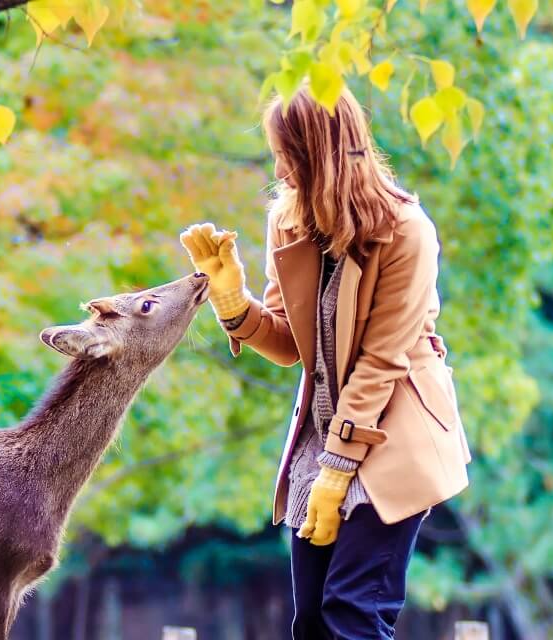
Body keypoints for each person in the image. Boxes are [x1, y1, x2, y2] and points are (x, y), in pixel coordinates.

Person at [181, 86, 471, 639]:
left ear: (320, 154)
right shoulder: (288, 221)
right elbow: (291, 343)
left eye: (286, 152)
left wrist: (339, 471)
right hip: (324, 435)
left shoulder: (407, 231)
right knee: (312, 620)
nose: (279, 168)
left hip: (393, 434)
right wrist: (232, 302)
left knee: (353, 610)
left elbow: (382, 360)